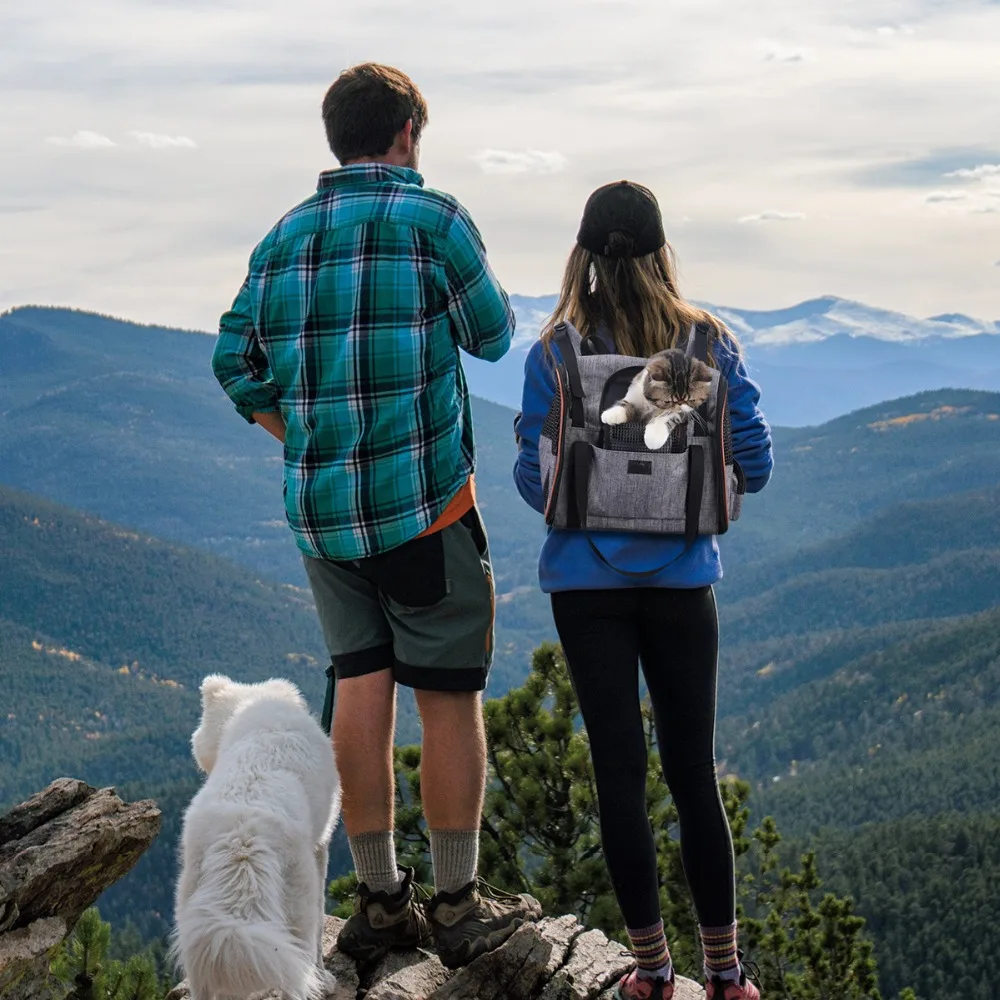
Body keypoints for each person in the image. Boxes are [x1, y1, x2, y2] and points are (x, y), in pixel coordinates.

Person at [212, 62, 540, 970]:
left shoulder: (283, 237)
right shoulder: (432, 217)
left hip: (322, 517)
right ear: (406, 133)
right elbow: (493, 334)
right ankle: (458, 900)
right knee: (447, 696)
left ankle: (380, 899)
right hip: (424, 508)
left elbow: (234, 363)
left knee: (360, 682)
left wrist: (298, 434)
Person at [513, 181, 773, 1000]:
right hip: (685, 582)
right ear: (662, 253)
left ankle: (654, 971)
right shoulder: (707, 343)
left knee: (618, 774)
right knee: (693, 772)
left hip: (585, 587)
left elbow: (532, 478)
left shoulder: (556, 351)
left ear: (583, 254)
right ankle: (727, 974)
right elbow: (756, 463)